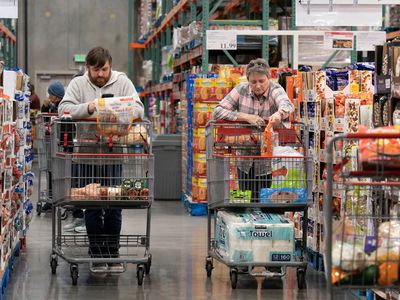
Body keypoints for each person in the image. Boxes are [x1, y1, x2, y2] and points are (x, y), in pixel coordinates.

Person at [58, 47, 144, 272]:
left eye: (104, 69)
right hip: (86, 155)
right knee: (92, 205)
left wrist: (118, 108)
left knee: (115, 205)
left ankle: (112, 252)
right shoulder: (78, 84)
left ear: (110, 65)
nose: (100, 75)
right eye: (96, 70)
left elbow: (139, 109)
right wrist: (89, 107)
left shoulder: (122, 82)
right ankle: (96, 252)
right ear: (88, 68)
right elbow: (63, 109)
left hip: (113, 155)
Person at [213, 58, 295, 199]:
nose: (257, 86)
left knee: (267, 200)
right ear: (248, 81)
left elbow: (287, 105)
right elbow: (217, 111)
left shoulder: (275, 89)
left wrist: (279, 114)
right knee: (246, 199)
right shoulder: (241, 90)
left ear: (269, 78)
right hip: (245, 158)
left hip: (269, 161)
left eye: (262, 81)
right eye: (253, 82)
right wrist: (245, 116)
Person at [40, 81, 65, 212]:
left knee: (59, 173)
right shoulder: (51, 105)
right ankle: (51, 198)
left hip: (61, 145)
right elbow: (45, 120)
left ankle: (59, 198)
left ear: (56, 96)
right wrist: (44, 108)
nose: (48, 97)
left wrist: (51, 108)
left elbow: (61, 115)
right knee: (51, 171)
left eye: (50, 94)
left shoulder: (62, 105)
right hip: (52, 143)